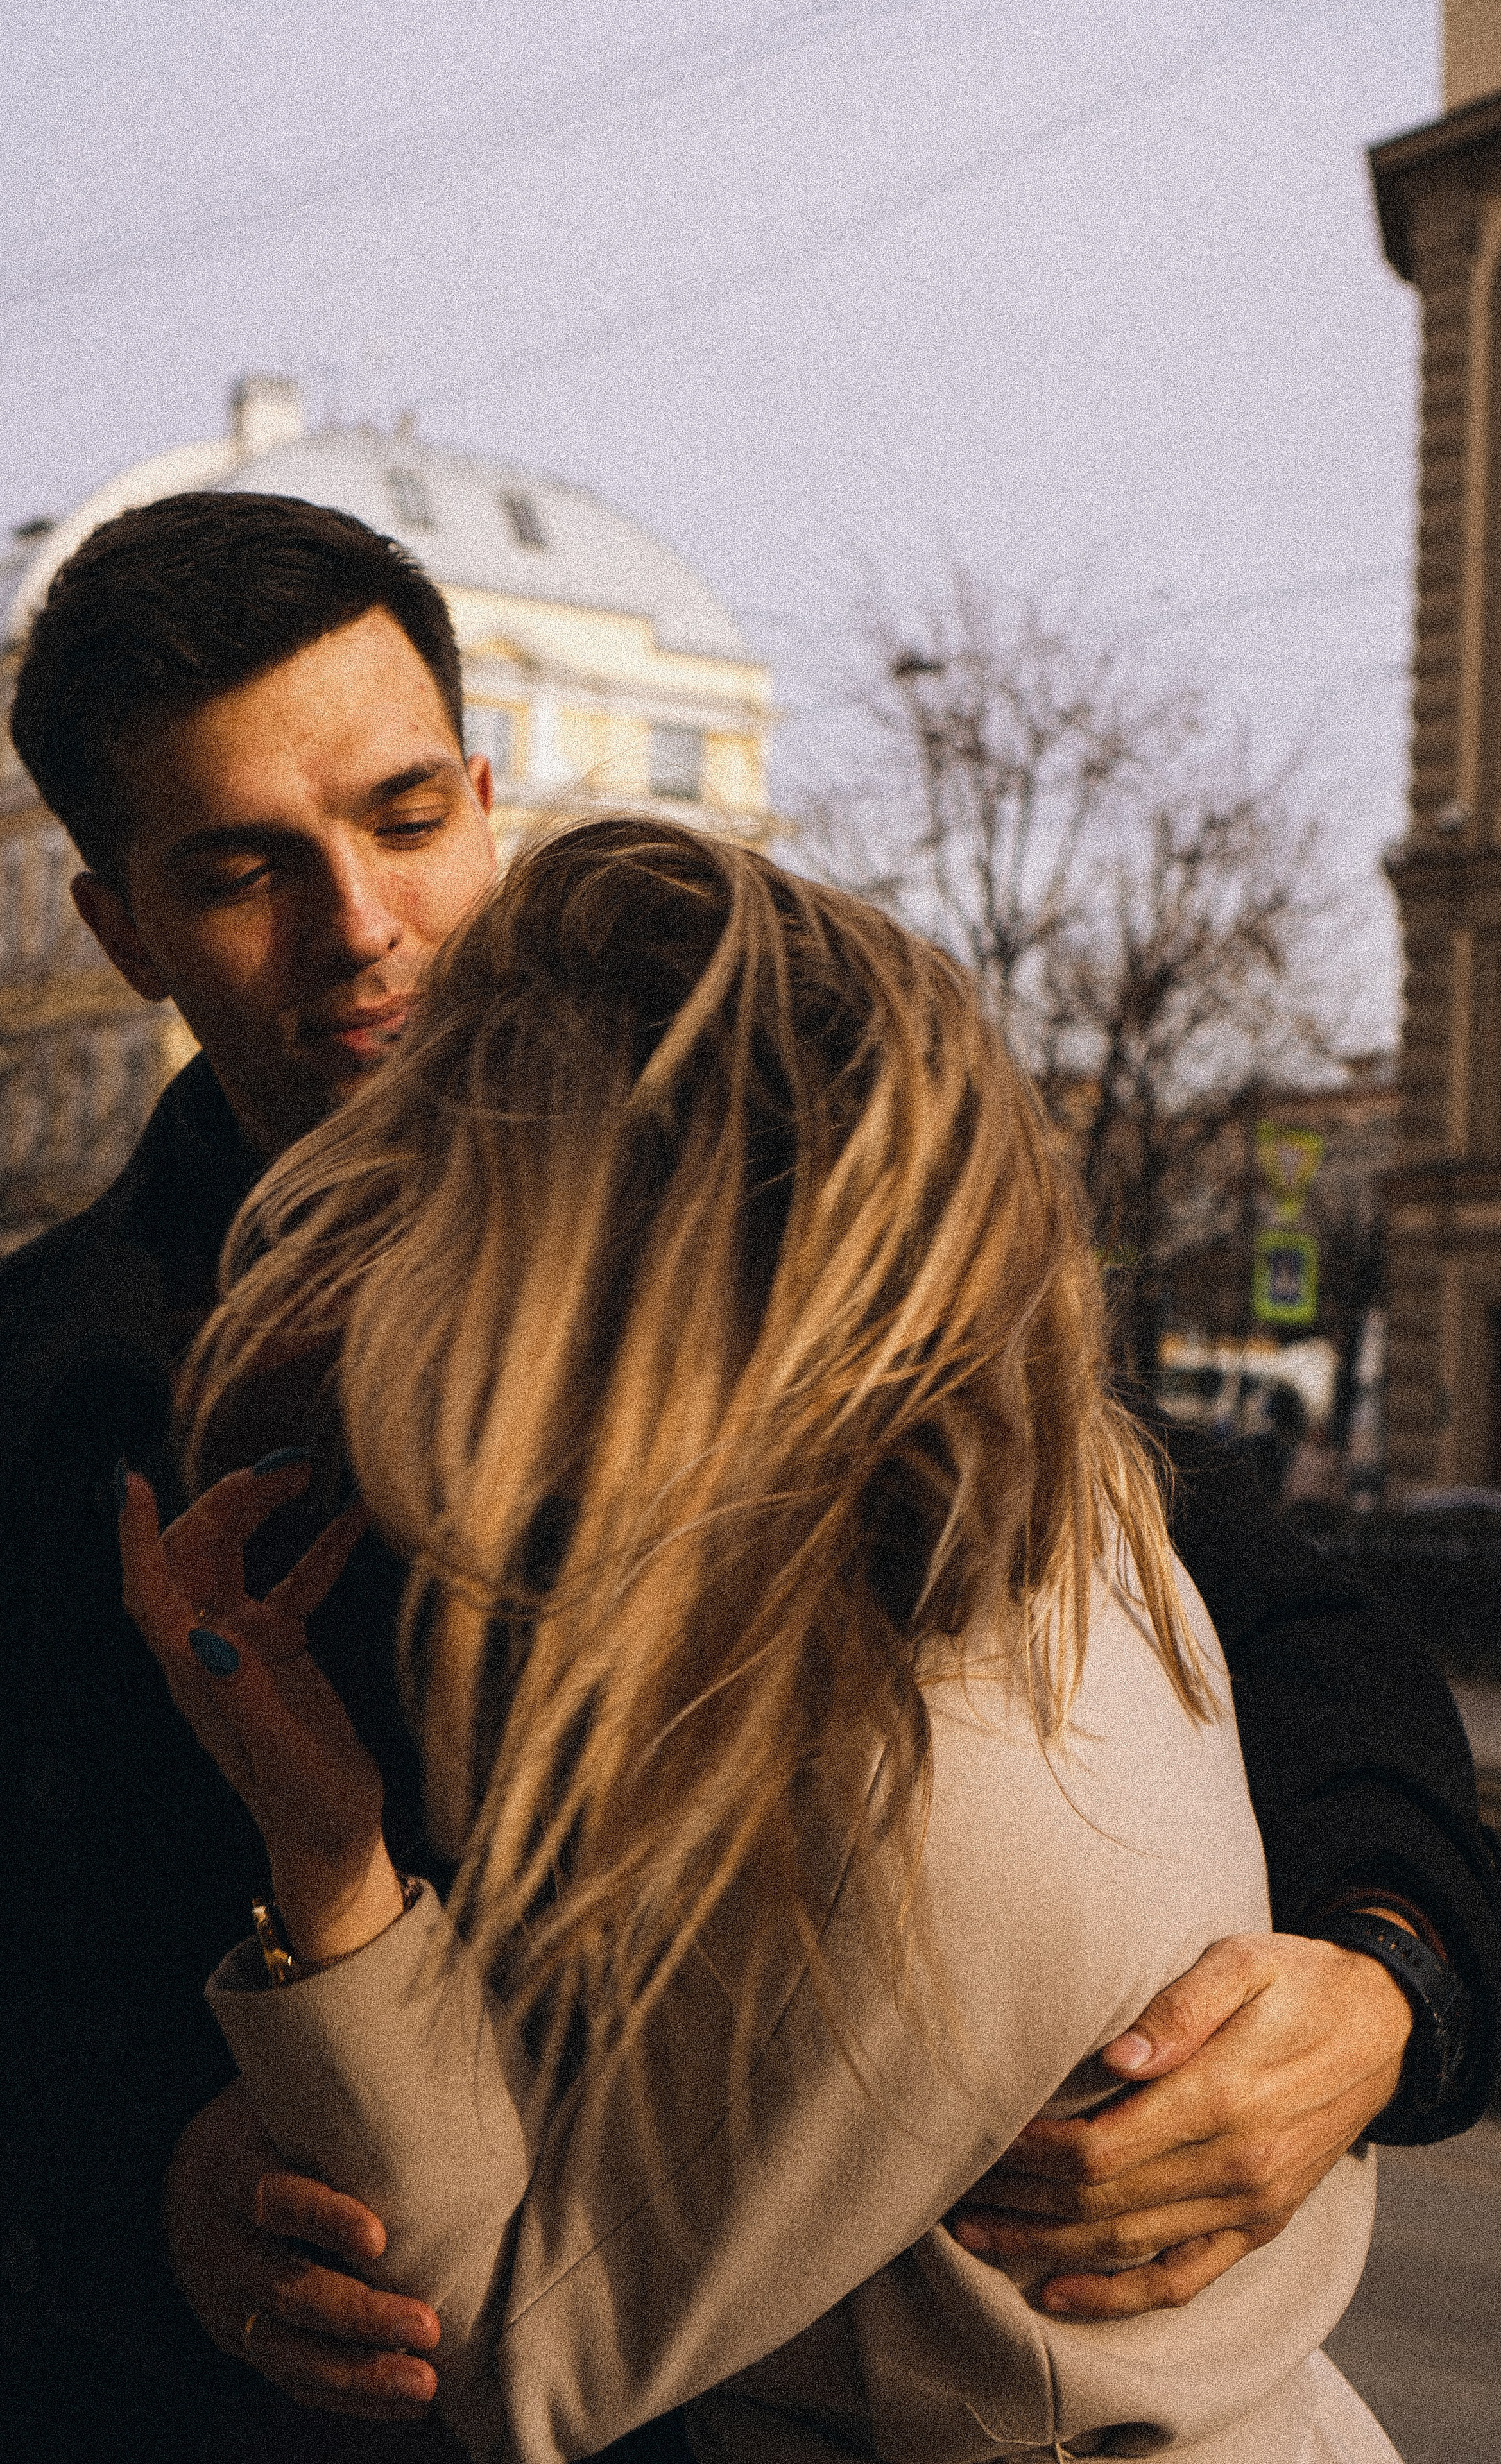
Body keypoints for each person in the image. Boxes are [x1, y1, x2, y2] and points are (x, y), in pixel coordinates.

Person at [0, 492, 1493, 2464]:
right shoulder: (2, 1402)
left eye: (400, 820)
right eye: (241, 870)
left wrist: (1389, 1976)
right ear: (119, 924)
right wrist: (142, 2194)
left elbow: (1259, 1602)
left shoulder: (776, 1219)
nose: (360, 926)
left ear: (483, 796)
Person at [122, 814, 1398, 2461]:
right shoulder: (1058, 1507)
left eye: (458, 1205)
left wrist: (327, 1852)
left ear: (614, 1276)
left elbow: (505, 2347)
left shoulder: (910, 1796)